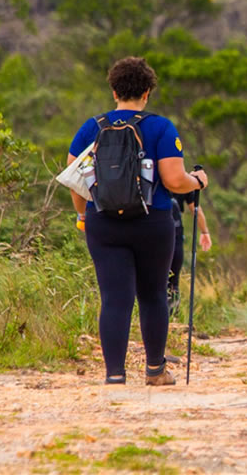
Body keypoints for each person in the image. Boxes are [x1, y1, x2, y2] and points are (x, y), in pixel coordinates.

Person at [67, 56, 208, 385]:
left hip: (103, 222)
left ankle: (115, 374)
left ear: (114, 91)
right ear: (146, 93)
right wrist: (198, 181)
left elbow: (75, 179)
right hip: (153, 221)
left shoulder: (92, 127)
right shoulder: (160, 127)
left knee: (115, 297)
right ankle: (155, 370)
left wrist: (83, 215)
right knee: (153, 294)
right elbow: (174, 181)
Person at [168, 190, 212, 318]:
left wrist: (204, 232)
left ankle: (167, 320)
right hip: (174, 234)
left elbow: (196, 210)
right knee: (172, 281)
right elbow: (196, 210)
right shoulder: (182, 181)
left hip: (154, 230)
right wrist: (204, 232)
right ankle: (171, 319)